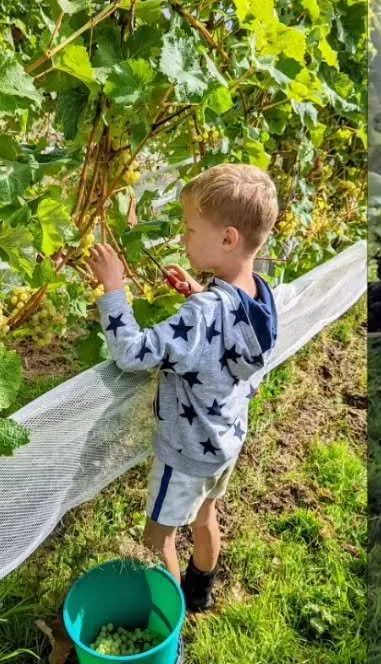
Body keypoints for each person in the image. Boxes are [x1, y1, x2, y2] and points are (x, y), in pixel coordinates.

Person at [86, 164, 280, 629]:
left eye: (191, 229)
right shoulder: (258, 295)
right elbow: (223, 329)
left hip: (186, 452)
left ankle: (169, 637)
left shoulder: (202, 313)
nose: (184, 237)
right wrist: (199, 293)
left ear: (228, 238)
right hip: (225, 440)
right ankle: (201, 592)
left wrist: (114, 289)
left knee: (158, 541)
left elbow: (133, 352)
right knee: (205, 516)